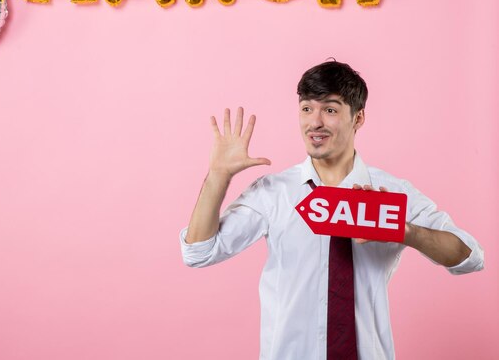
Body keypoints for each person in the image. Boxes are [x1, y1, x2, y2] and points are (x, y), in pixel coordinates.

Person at [179, 61, 484, 360]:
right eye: (307, 108)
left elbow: (470, 257)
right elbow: (199, 252)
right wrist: (218, 175)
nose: (315, 123)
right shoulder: (275, 192)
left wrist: (402, 229)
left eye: (330, 109)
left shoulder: (392, 194)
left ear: (358, 118)